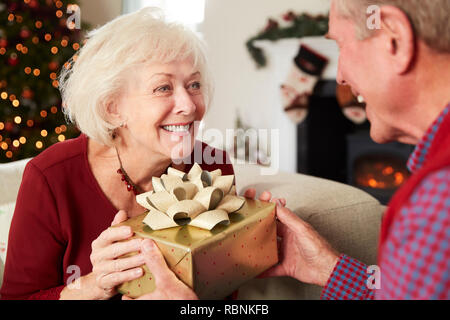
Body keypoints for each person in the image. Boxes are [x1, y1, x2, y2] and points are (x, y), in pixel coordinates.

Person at [111, 0, 450, 300]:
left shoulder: (435, 204)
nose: (341, 75)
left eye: (341, 45)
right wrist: (330, 270)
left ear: (395, 39)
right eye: (162, 87)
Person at [0, 8, 232, 300]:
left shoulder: (213, 166)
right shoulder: (51, 178)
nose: (188, 105)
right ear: (113, 108)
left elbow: (224, 285)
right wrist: (95, 285)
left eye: (194, 84)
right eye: (163, 87)